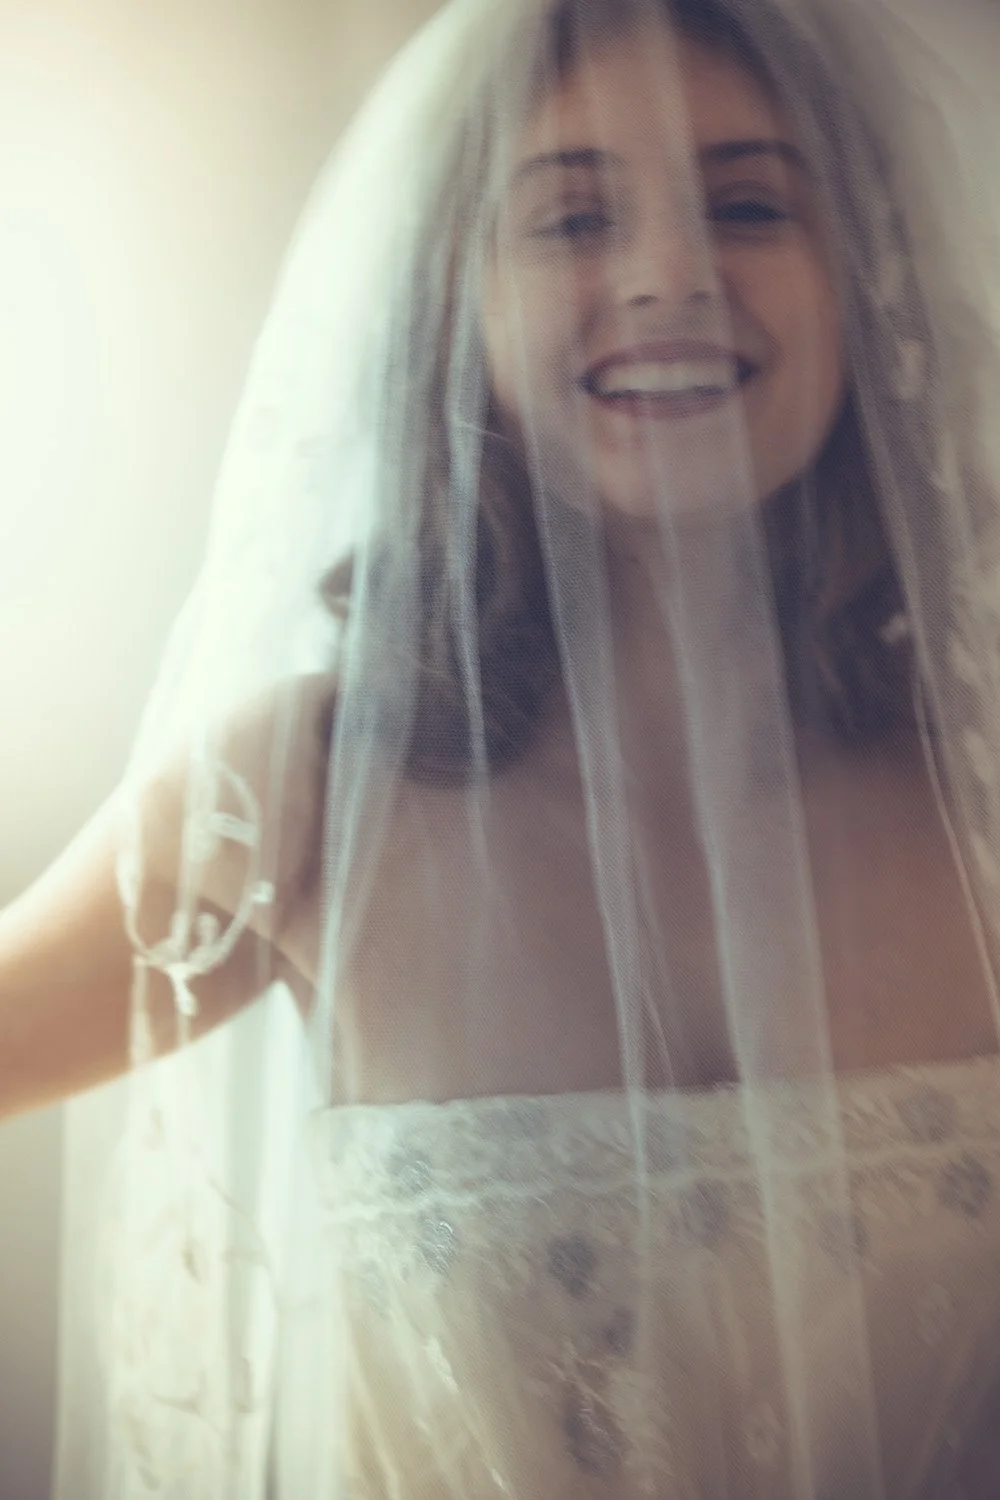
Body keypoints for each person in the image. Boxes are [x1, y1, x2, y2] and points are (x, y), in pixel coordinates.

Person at [4, 0, 1000, 1494]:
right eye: (572, 217)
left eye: (747, 202)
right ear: (450, 306)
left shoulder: (979, 793)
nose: (671, 274)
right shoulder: (301, 796)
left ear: (872, 287)